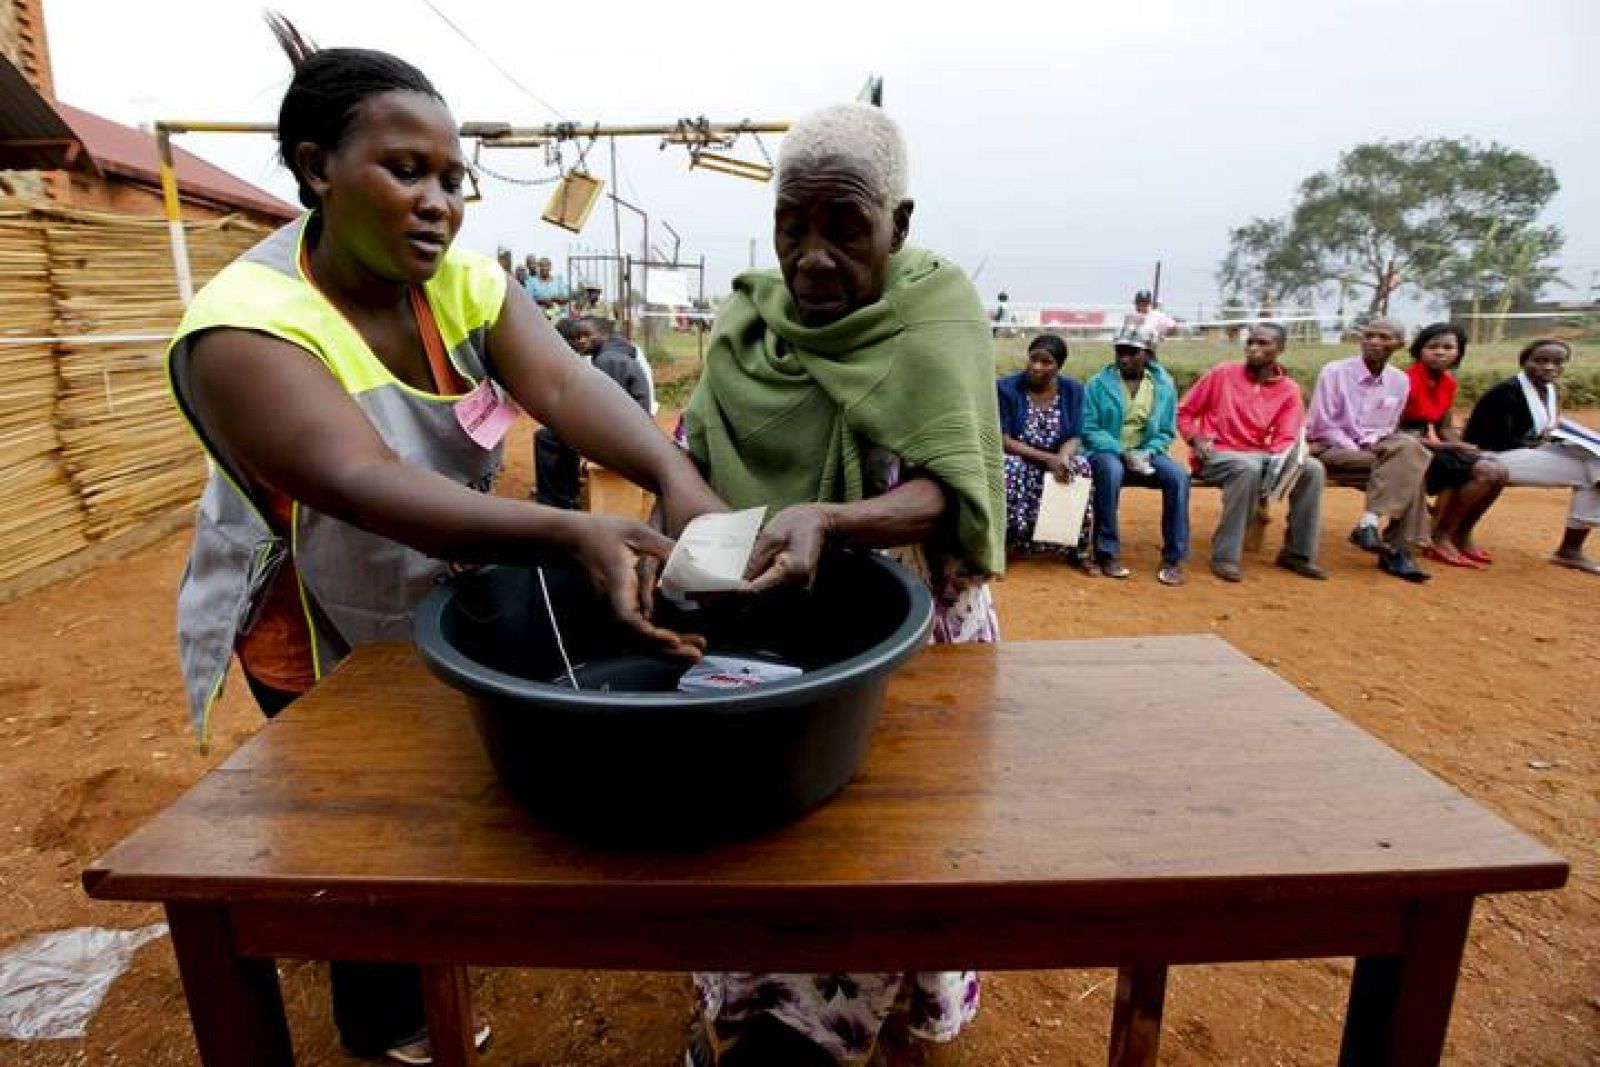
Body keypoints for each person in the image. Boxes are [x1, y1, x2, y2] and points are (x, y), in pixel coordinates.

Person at [168, 32, 721, 1064]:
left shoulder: (457, 282)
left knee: (438, 765)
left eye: (452, 179)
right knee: (360, 801)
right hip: (305, 609)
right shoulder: (242, 327)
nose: (439, 201)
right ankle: (386, 1018)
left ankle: (404, 935)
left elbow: (561, 385)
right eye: (405, 169)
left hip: (425, 568)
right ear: (313, 167)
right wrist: (570, 529)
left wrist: (674, 472)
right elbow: (365, 483)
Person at [681, 101, 1005, 1067]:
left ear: (898, 227)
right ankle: (755, 1015)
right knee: (759, 831)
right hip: (772, 618)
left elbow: (950, 493)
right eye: (794, 226)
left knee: (895, 839)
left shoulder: (936, 312)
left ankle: (845, 1024)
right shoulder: (745, 321)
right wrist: (704, 542)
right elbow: (692, 454)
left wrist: (831, 517)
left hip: (917, 644)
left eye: (845, 227)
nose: (813, 257)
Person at [1178, 322, 1327, 581]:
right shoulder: (1222, 374)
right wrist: (1196, 438)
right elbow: (1185, 413)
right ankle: (1225, 556)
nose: (1254, 348)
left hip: (1262, 455)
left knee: (1312, 469)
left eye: (1263, 343)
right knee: (1247, 468)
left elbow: (1286, 437)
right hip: (1217, 453)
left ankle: (1297, 553)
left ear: (1280, 348)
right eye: (1251, 342)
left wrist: (1284, 460)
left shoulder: (1289, 390)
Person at [1305, 318, 1432, 582]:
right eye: (1369, 335)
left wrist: (1372, 444)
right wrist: (1358, 448)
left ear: (1399, 345)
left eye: (1384, 338)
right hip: (1332, 446)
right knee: (1411, 470)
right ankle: (1397, 551)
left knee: (1410, 450)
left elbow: (1389, 424)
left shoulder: (1399, 380)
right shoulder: (1335, 372)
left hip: (1376, 448)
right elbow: (1322, 424)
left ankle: (1369, 523)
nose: (1374, 342)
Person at [1464, 338, 1599, 575]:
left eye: (1557, 362)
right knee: (1593, 471)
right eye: (1540, 361)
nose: (1548, 367)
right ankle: (1570, 550)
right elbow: (1492, 440)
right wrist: (1542, 442)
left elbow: (1541, 431)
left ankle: (1570, 550)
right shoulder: (1506, 392)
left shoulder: (1548, 390)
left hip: (1525, 451)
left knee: (1594, 465)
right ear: (1524, 361)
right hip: (1492, 457)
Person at [1081, 324, 1189, 584]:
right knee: (1110, 470)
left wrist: (1149, 452)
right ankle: (1107, 552)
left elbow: (1166, 430)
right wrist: (1123, 451)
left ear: (1148, 353)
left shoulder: (1163, 386)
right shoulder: (1098, 384)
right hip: (1106, 450)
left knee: (1178, 477)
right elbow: (1089, 428)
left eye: (1132, 352)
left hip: (1147, 453)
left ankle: (1173, 558)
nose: (1124, 358)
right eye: (1120, 351)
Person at [1399, 323, 1507, 567]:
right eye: (1432, 346)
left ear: (1458, 353)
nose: (1440, 352)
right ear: (1419, 350)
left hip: (1431, 444)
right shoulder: (1404, 380)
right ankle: (1440, 536)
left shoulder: (1448, 382)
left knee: (1498, 470)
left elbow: (1444, 428)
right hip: (1406, 445)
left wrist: (1464, 447)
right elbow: (1392, 429)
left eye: (1448, 347)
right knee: (1480, 471)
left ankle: (1461, 532)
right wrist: (1448, 448)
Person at [997, 333, 1092, 559]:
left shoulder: (1073, 390)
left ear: (1058, 366)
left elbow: (1075, 435)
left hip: (1055, 456)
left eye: (1046, 362)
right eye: (1033, 359)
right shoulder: (1006, 388)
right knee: (1011, 466)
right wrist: (1046, 459)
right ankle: (1010, 543)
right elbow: (1003, 439)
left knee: (1081, 467)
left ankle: (1075, 549)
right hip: (1020, 455)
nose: (1036, 367)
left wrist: (1062, 458)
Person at [584, 315, 658, 415]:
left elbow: (608, 405)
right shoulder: (622, 347)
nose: (582, 340)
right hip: (642, 413)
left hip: (631, 420)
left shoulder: (607, 360)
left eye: (587, 335)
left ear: (605, 334)